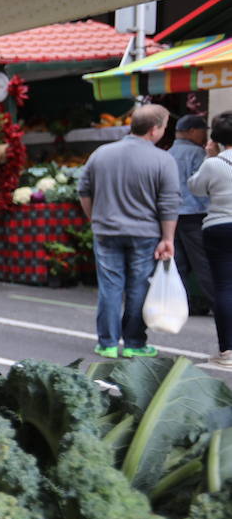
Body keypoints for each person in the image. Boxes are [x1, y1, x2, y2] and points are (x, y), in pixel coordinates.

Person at [77, 103, 179, 359]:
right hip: (145, 233)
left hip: (106, 230)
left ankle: (108, 343)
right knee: (138, 287)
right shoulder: (163, 159)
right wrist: (168, 238)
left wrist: (94, 218)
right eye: (164, 127)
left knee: (110, 286)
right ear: (154, 129)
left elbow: (83, 190)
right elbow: (169, 203)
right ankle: (134, 343)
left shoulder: (101, 154)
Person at [187, 111, 232, 368]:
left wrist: (209, 156)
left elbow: (195, 187)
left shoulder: (213, 163)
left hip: (220, 228)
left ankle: (228, 351)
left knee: (225, 288)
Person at [169, 113, 216, 315]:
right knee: (203, 262)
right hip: (194, 215)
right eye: (202, 132)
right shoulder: (197, 154)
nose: (204, 136)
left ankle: (182, 304)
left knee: (178, 264)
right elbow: (205, 186)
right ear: (191, 131)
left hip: (171, 217)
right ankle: (218, 304)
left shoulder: (167, 154)